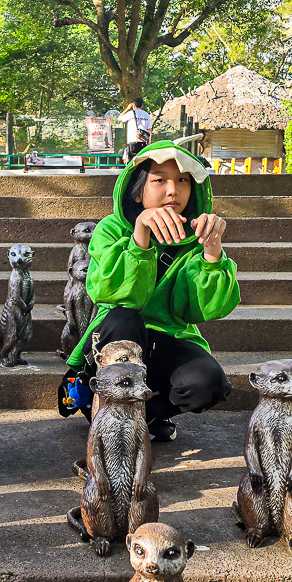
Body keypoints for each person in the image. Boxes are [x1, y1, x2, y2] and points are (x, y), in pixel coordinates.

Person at [60, 140, 239, 442]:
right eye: (159, 180)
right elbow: (114, 296)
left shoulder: (195, 236)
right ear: (138, 187)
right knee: (124, 318)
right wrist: (140, 235)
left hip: (168, 337)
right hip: (115, 335)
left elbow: (204, 310)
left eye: (182, 180)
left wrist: (212, 252)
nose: (173, 190)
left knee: (209, 382)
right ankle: (107, 407)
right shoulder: (111, 229)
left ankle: (146, 414)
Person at [118, 97, 152, 163]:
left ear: (133, 105)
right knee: (142, 162)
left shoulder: (131, 113)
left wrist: (127, 108)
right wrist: (149, 142)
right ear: (142, 106)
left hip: (133, 141)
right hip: (143, 142)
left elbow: (119, 118)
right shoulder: (146, 115)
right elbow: (149, 129)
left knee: (132, 162)